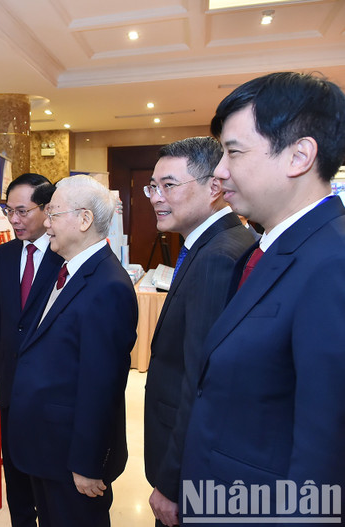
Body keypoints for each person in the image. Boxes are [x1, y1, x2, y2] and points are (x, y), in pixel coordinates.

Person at [180, 72, 345, 521]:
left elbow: (324, 457)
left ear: (299, 155)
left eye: (233, 151)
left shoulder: (333, 264)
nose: (219, 171)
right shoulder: (266, 249)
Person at [8, 175, 137, 526]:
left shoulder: (107, 286)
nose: (45, 224)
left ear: (84, 220)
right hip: (47, 448)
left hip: (71, 459)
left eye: (53, 214)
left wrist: (86, 463)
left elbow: (102, 386)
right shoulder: (68, 271)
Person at [142, 137, 254, 526]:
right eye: (152, 186)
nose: (156, 197)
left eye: (168, 185)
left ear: (214, 187)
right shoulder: (212, 243)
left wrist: (173, 482)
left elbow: (200, 379)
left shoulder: (219, 256)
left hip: (189, 467)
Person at [0, 172, 63, 527]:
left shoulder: (65, 257)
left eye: (21, 211)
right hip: (10, 383)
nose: (14, 220)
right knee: (13, 470)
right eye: (8, 210)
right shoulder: (4, 254)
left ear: (47, 210)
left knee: (46, 477)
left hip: (48, 389)